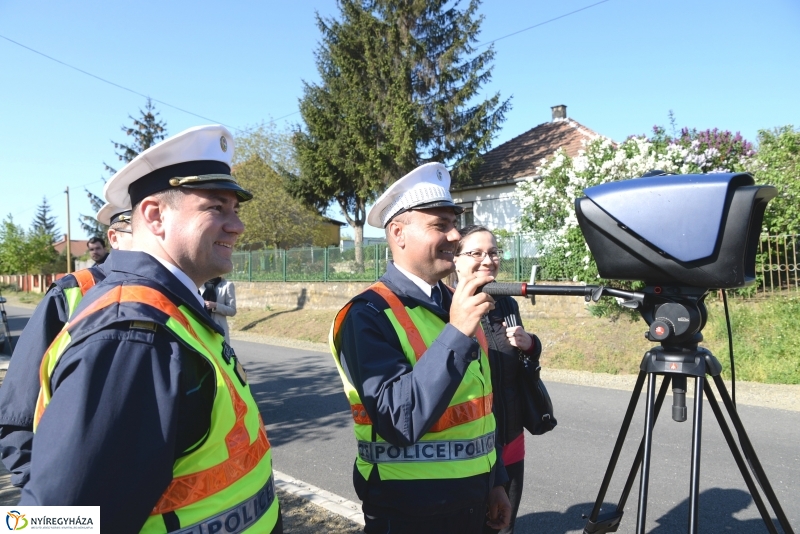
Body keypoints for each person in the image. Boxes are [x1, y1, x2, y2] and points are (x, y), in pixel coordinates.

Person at [20, 125, 281, 534]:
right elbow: (52, 524)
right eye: (216, 208)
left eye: (236, 209)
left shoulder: (168, 312)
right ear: (155, 216)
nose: (237, 226)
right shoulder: (133, 336)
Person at [329, 162, 512, 534]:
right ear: (398, 233)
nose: (456, 235)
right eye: (440, 225)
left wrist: (496, 480)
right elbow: (399, 421)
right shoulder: (367, 314)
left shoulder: (454, 302)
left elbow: (480, 408)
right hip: (409, 512)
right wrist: (456, 331)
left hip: (474, 501)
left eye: (455, 223)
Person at [0, 203, 132, 488]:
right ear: (115, 237)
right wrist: (37, 487)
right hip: (76, 487)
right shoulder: (74, 291)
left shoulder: (179, 294)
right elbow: (19, 407)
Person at [454, 225, 543, 534]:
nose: (488, 260)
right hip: (471, 445)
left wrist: (530, 345)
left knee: (503, 526)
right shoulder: (446, 306)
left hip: (511, 436)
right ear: (455, 260)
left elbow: (520, 365)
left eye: (493, 252)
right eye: (476, 253)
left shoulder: (507, 303)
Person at [202, 276, 237, 344]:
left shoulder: (227, 285)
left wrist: (215, 306)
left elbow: (232, 310)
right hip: (202, 327)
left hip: (218, 329)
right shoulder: (200, 284)